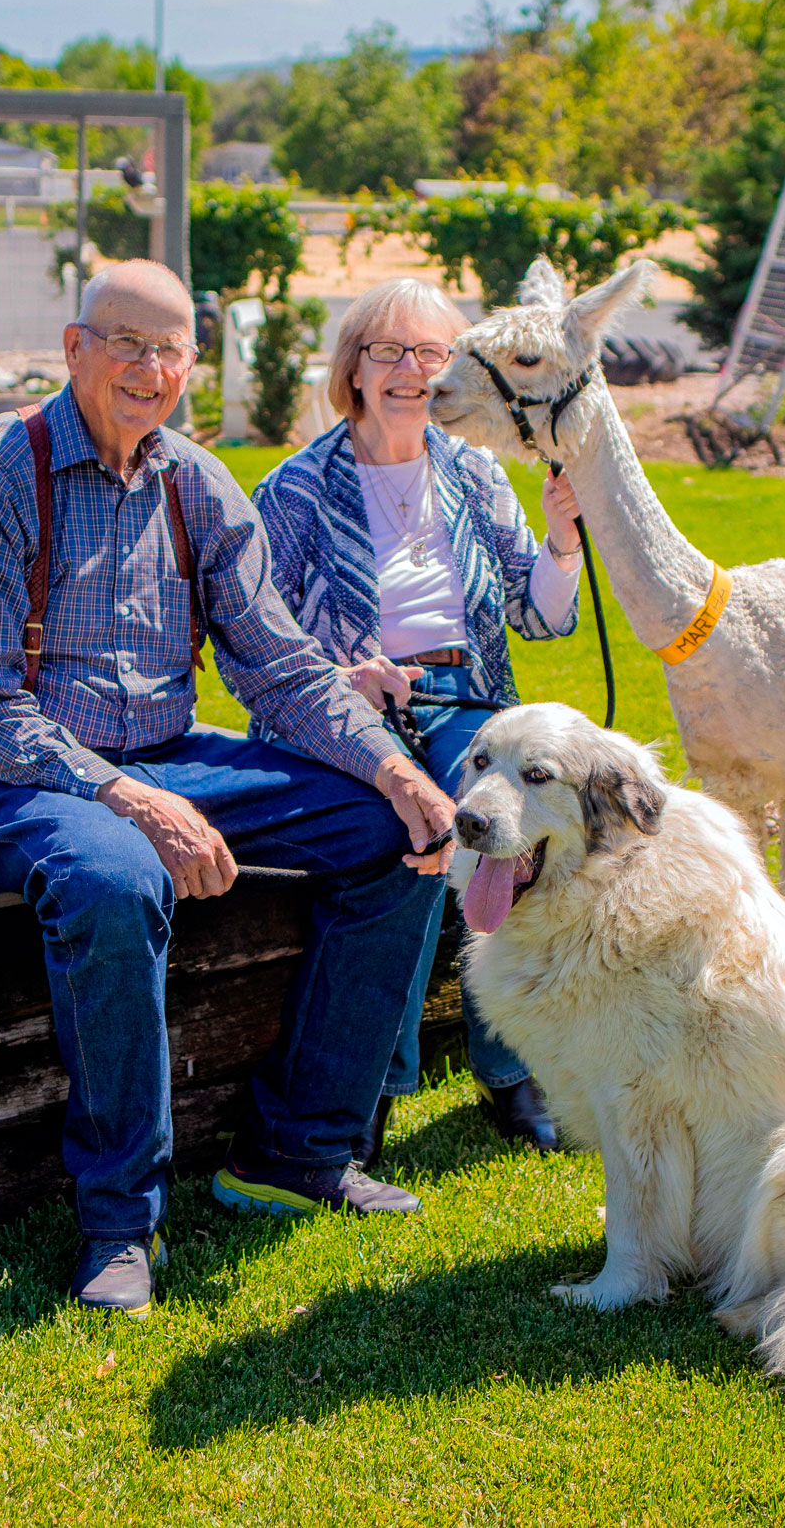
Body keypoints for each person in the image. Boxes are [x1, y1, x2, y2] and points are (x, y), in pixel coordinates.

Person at [0, 259, 457, 1321]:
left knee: (390, 829)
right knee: (118, 881)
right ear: (74, 347)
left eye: (169, 349)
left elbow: (282, 667)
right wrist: (131, 800)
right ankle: (119, 1219)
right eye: (126, 342)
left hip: (165, 753)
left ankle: (299, 1149)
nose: (148, 368)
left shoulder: (195, 482)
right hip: (10, 771)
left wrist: (398, 768)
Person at [250, 278, 583, 1162]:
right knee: (403, 834)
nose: (411, 371)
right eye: (388, 352)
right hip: (343, 711)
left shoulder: (473, 471)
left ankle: (510, 1068)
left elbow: (540, 616)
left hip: (466, 699)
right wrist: (340, 673)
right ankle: (371, 1086)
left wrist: (560, 543)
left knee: (498, 831)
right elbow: (255, 638)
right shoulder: (294, 488)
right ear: (352, 368)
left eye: (432, 354)